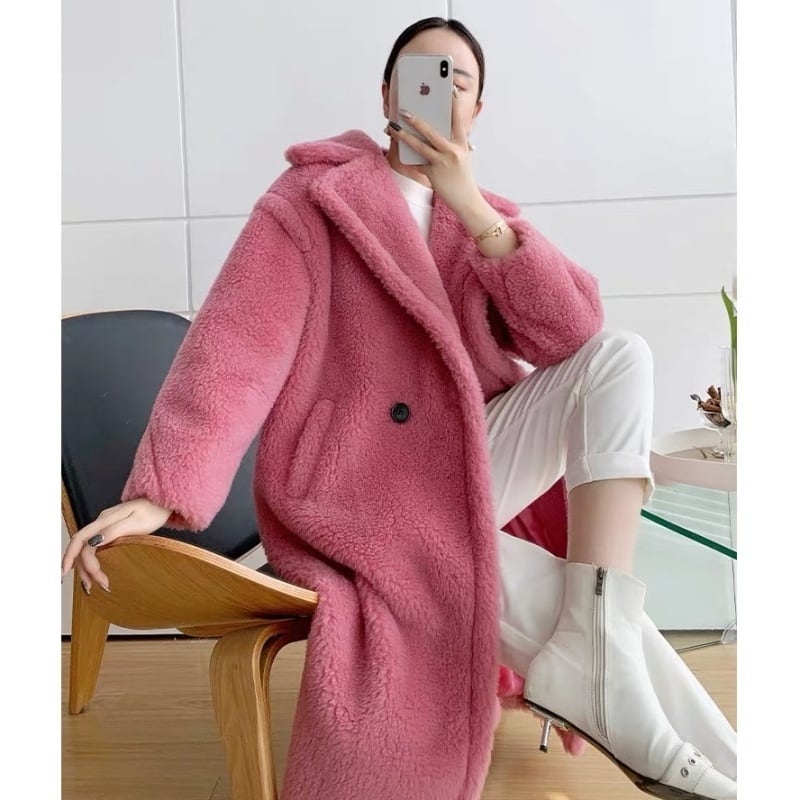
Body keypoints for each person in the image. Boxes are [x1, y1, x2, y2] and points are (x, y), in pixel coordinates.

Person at [61, 16, 736, 800]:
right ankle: (724, 762)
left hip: (464, 463)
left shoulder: (483, 219)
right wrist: (161, 491)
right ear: (386, 94)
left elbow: (571, 336)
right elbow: (236, 348)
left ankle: (603, 640)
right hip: (359, 489)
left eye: (459, 81)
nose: (438, 91)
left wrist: (476, 212)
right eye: (420, 75)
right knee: (544, 593)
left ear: (476, 109)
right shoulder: (310, 204)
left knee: (621, 354)